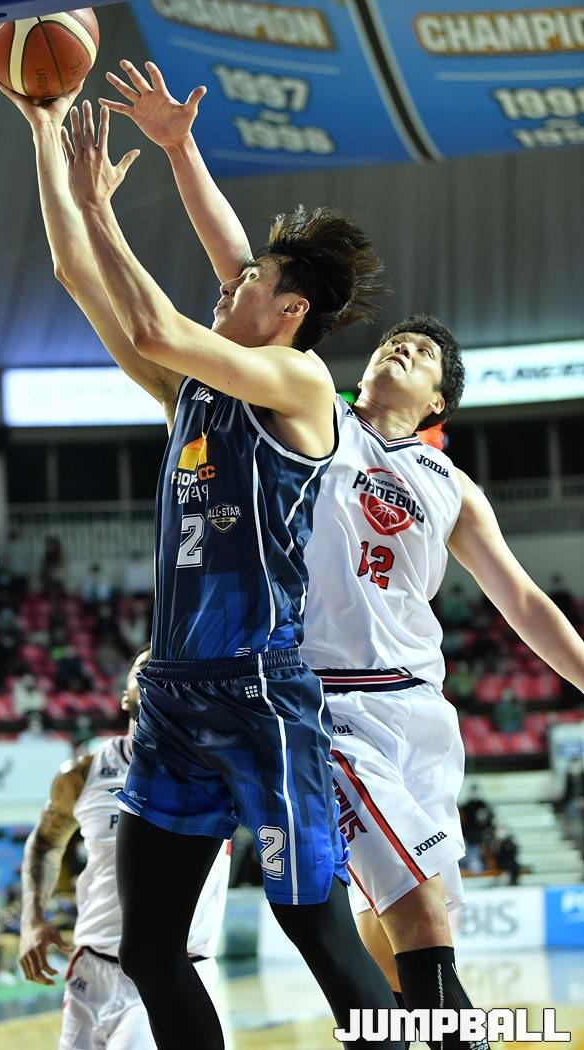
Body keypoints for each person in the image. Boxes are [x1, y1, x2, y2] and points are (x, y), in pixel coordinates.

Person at [96, 61, 584, 1050]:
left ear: (440, 401)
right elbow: (244, 268)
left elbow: (525, 603)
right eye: (393, 341)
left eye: (422, 354)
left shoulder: (452, 487)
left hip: (420, 710)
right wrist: (181, 151)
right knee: (416, 919)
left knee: (401, 931)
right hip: (325, 699)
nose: (400, 348)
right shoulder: (321, 416)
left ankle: (410, 1032)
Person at [0, 70, 400, 1050]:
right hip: (174, 698)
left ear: (289, 311)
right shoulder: (194, 395)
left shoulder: (301, 383)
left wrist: (105, 208)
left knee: (316, 931)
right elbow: (76, 275)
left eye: (245, 284)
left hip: (260, 693)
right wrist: (47, 134)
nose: (227, 284)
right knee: (147, 948)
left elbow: (153, 323)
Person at [18, 649, 231, 1050]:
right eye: (145, 667)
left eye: (168, 669)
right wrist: (32, 919)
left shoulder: (218, 769)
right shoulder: (83, 773)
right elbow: (44, 841)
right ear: (123, 696)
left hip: (176, 971)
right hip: (90, 971)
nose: (156, 674)